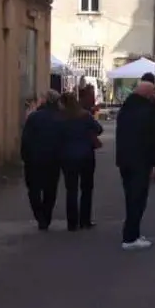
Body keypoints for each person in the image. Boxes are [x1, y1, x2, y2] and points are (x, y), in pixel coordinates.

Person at [115, 81, 155, 250]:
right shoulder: (148, 112)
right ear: (147, 94)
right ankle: (130, 237)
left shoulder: (126, 109)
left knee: (131, 197)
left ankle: (133, 233)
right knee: (138, 199)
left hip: (125, 160)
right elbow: (152, 140)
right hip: (141, 160)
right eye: (153, 92)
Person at [20, 89, 65, 230]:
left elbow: (26, 139)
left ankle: (40, 216)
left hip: (34, 159)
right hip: (53, 160)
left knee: (33, 189)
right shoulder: (61, 118)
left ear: (45, 100)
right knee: (50, 189)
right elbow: (64, 140)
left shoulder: (34, 117)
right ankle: (46, 216)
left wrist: (25, 157)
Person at [59, 92, 103, 230]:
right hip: (86, 156)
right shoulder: (84, 115)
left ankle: (72, 223)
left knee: (71, 189)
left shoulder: (60, 118)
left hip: (68, 157)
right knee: (86, 189)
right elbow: (99, 129)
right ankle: (85, 220)